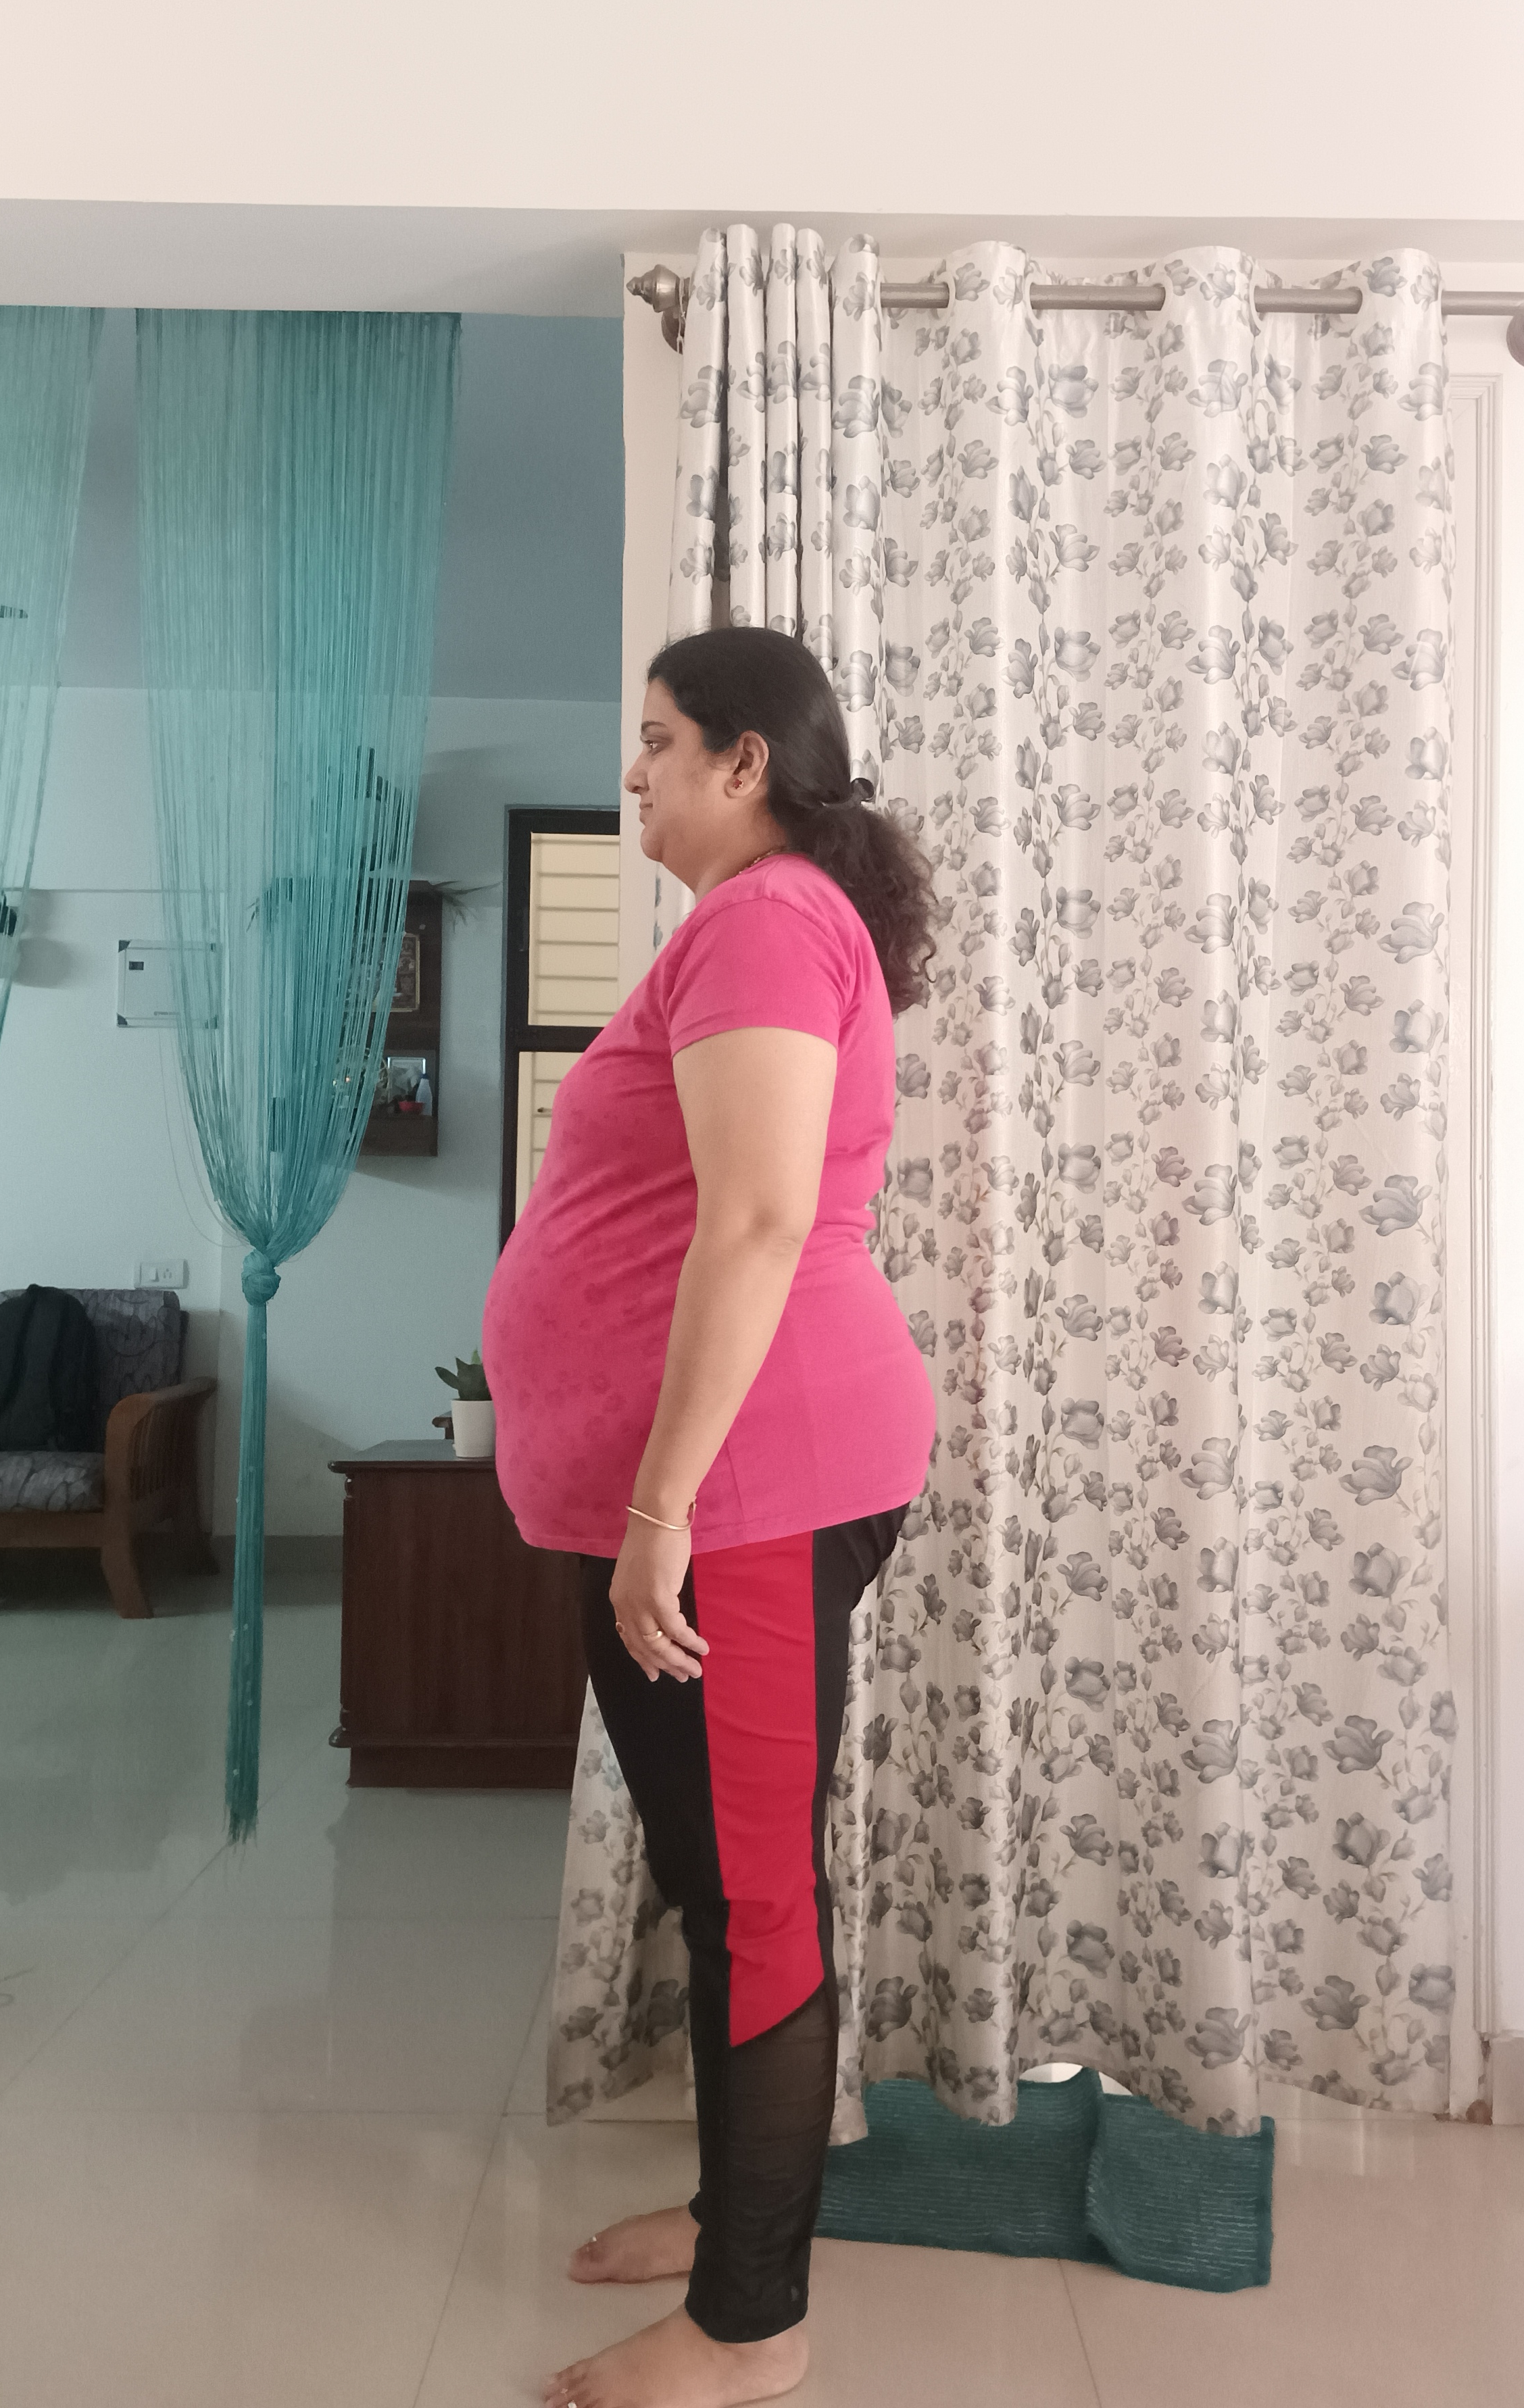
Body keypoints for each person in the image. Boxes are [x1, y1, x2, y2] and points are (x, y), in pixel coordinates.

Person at [483, 624, 938, 2408]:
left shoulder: (764, 922)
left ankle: (754, 2326)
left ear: (748, 762)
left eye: (662, 740)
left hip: (748, 1493)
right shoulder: (759, 924)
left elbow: (757, 1223)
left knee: (755, 1898)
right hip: (721, 1493)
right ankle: (728, 2216)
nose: (635, 771)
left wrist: (663, 1503)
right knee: (716, 1874)